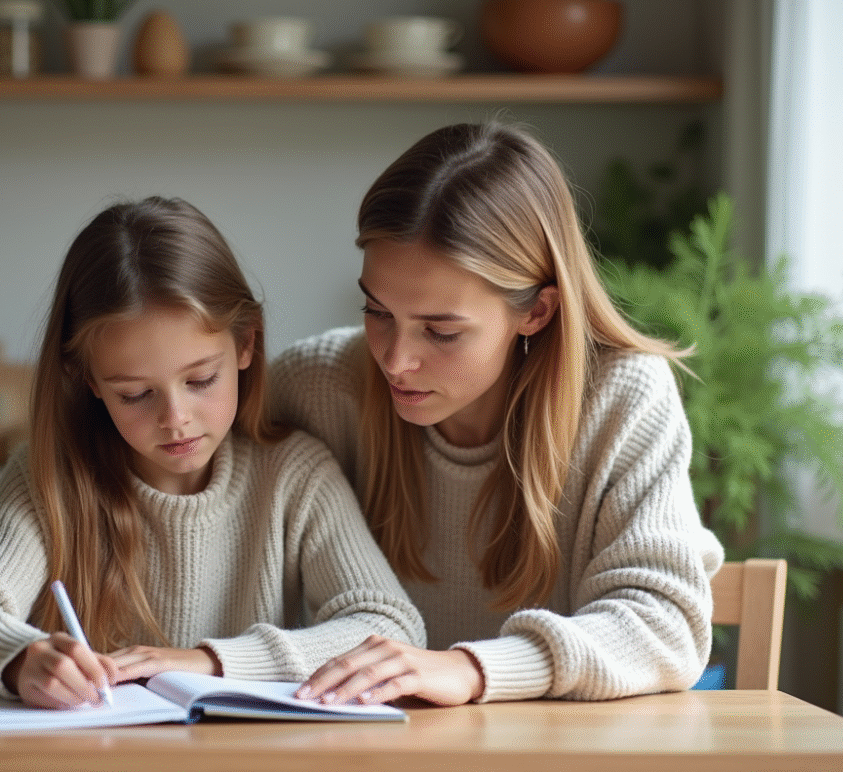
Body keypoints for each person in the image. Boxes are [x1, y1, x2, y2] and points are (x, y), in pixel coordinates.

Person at [271, 122, 724, 706]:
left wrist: (470, 669)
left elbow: (665, 625)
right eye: (377, 311)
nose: (396, 360)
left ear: (536, 310)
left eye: (441, 331)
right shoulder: (317, 386)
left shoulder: (623, 397)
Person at [0, 197, 425, 709]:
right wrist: (20, 655)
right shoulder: (48, 477)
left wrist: (207, 661)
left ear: (247, 343)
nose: (175, 418)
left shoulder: (294, 473)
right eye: (135, 394)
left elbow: (392, 629)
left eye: (201, 380)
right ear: (88, 379)